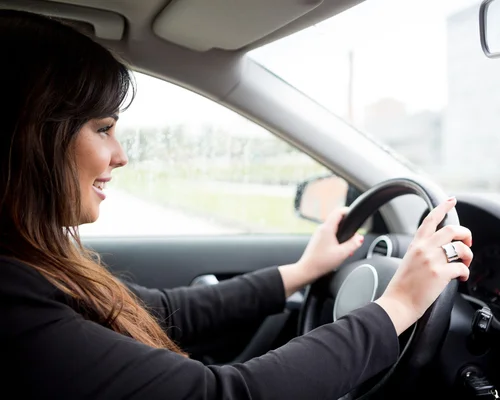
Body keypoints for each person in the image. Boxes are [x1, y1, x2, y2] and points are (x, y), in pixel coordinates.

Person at [0, 9, 473, 400]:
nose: (120, 156)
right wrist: (399, 305)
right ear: (30, 138)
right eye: (103, 129)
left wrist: (304, 270)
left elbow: (164, 310)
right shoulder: (12, 300)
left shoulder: (32, 263)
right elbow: (225, 396)